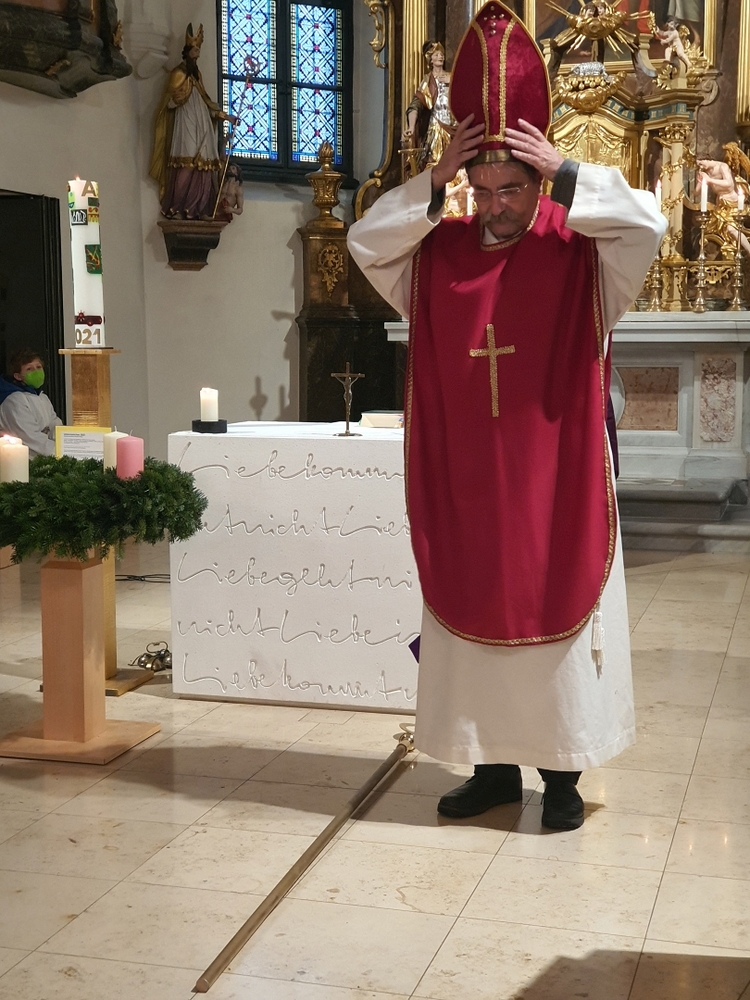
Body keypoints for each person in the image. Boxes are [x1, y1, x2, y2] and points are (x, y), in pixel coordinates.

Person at [348, 0, 666, 831]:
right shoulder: (437, 258)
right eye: (481, 189)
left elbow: (649, 223)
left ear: (538, 179)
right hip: (469, 482)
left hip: (554, 482)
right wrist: (430, 182)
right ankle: (490, 769)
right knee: (471, 623)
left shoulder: (582, 254)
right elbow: (365, 242)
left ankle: (560, 777)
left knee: (554, 618)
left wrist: (567, 173)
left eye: (512, 189)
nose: (494, 205)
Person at [150, 23, 237, 220]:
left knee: (204, 165)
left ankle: (198, 208)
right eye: (195, 49)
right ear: (187, 51)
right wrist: (178, 99)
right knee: (186, 163)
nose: (198, 54)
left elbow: (207, 101)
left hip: (202, 123)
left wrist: (227, 117)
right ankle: (177, 207)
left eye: (199, 50)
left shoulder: (197, 76)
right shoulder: (178, 74)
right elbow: (169, 102)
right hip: (186, 122)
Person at [402, 42, 456, 176]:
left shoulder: (452, 77)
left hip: (453, 128)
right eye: (436, 55)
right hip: (435, 128)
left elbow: (466, 96)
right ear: (430, 60)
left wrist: (453, 82)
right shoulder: (427, 81)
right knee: (435, 163)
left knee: (455, 165)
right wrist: (411, 127)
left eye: (441, 54)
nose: (440, 57)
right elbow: (416, 105)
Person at [0, 349, 62, 457]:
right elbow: (30, 438)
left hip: (47, 456)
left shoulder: (42, 397)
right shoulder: (14, 401)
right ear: (18, 376)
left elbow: (54, 425)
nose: (36, 371)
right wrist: (62, 452)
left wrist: (68, 442)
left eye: (38, 367)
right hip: (25, 460)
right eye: (29, 369)